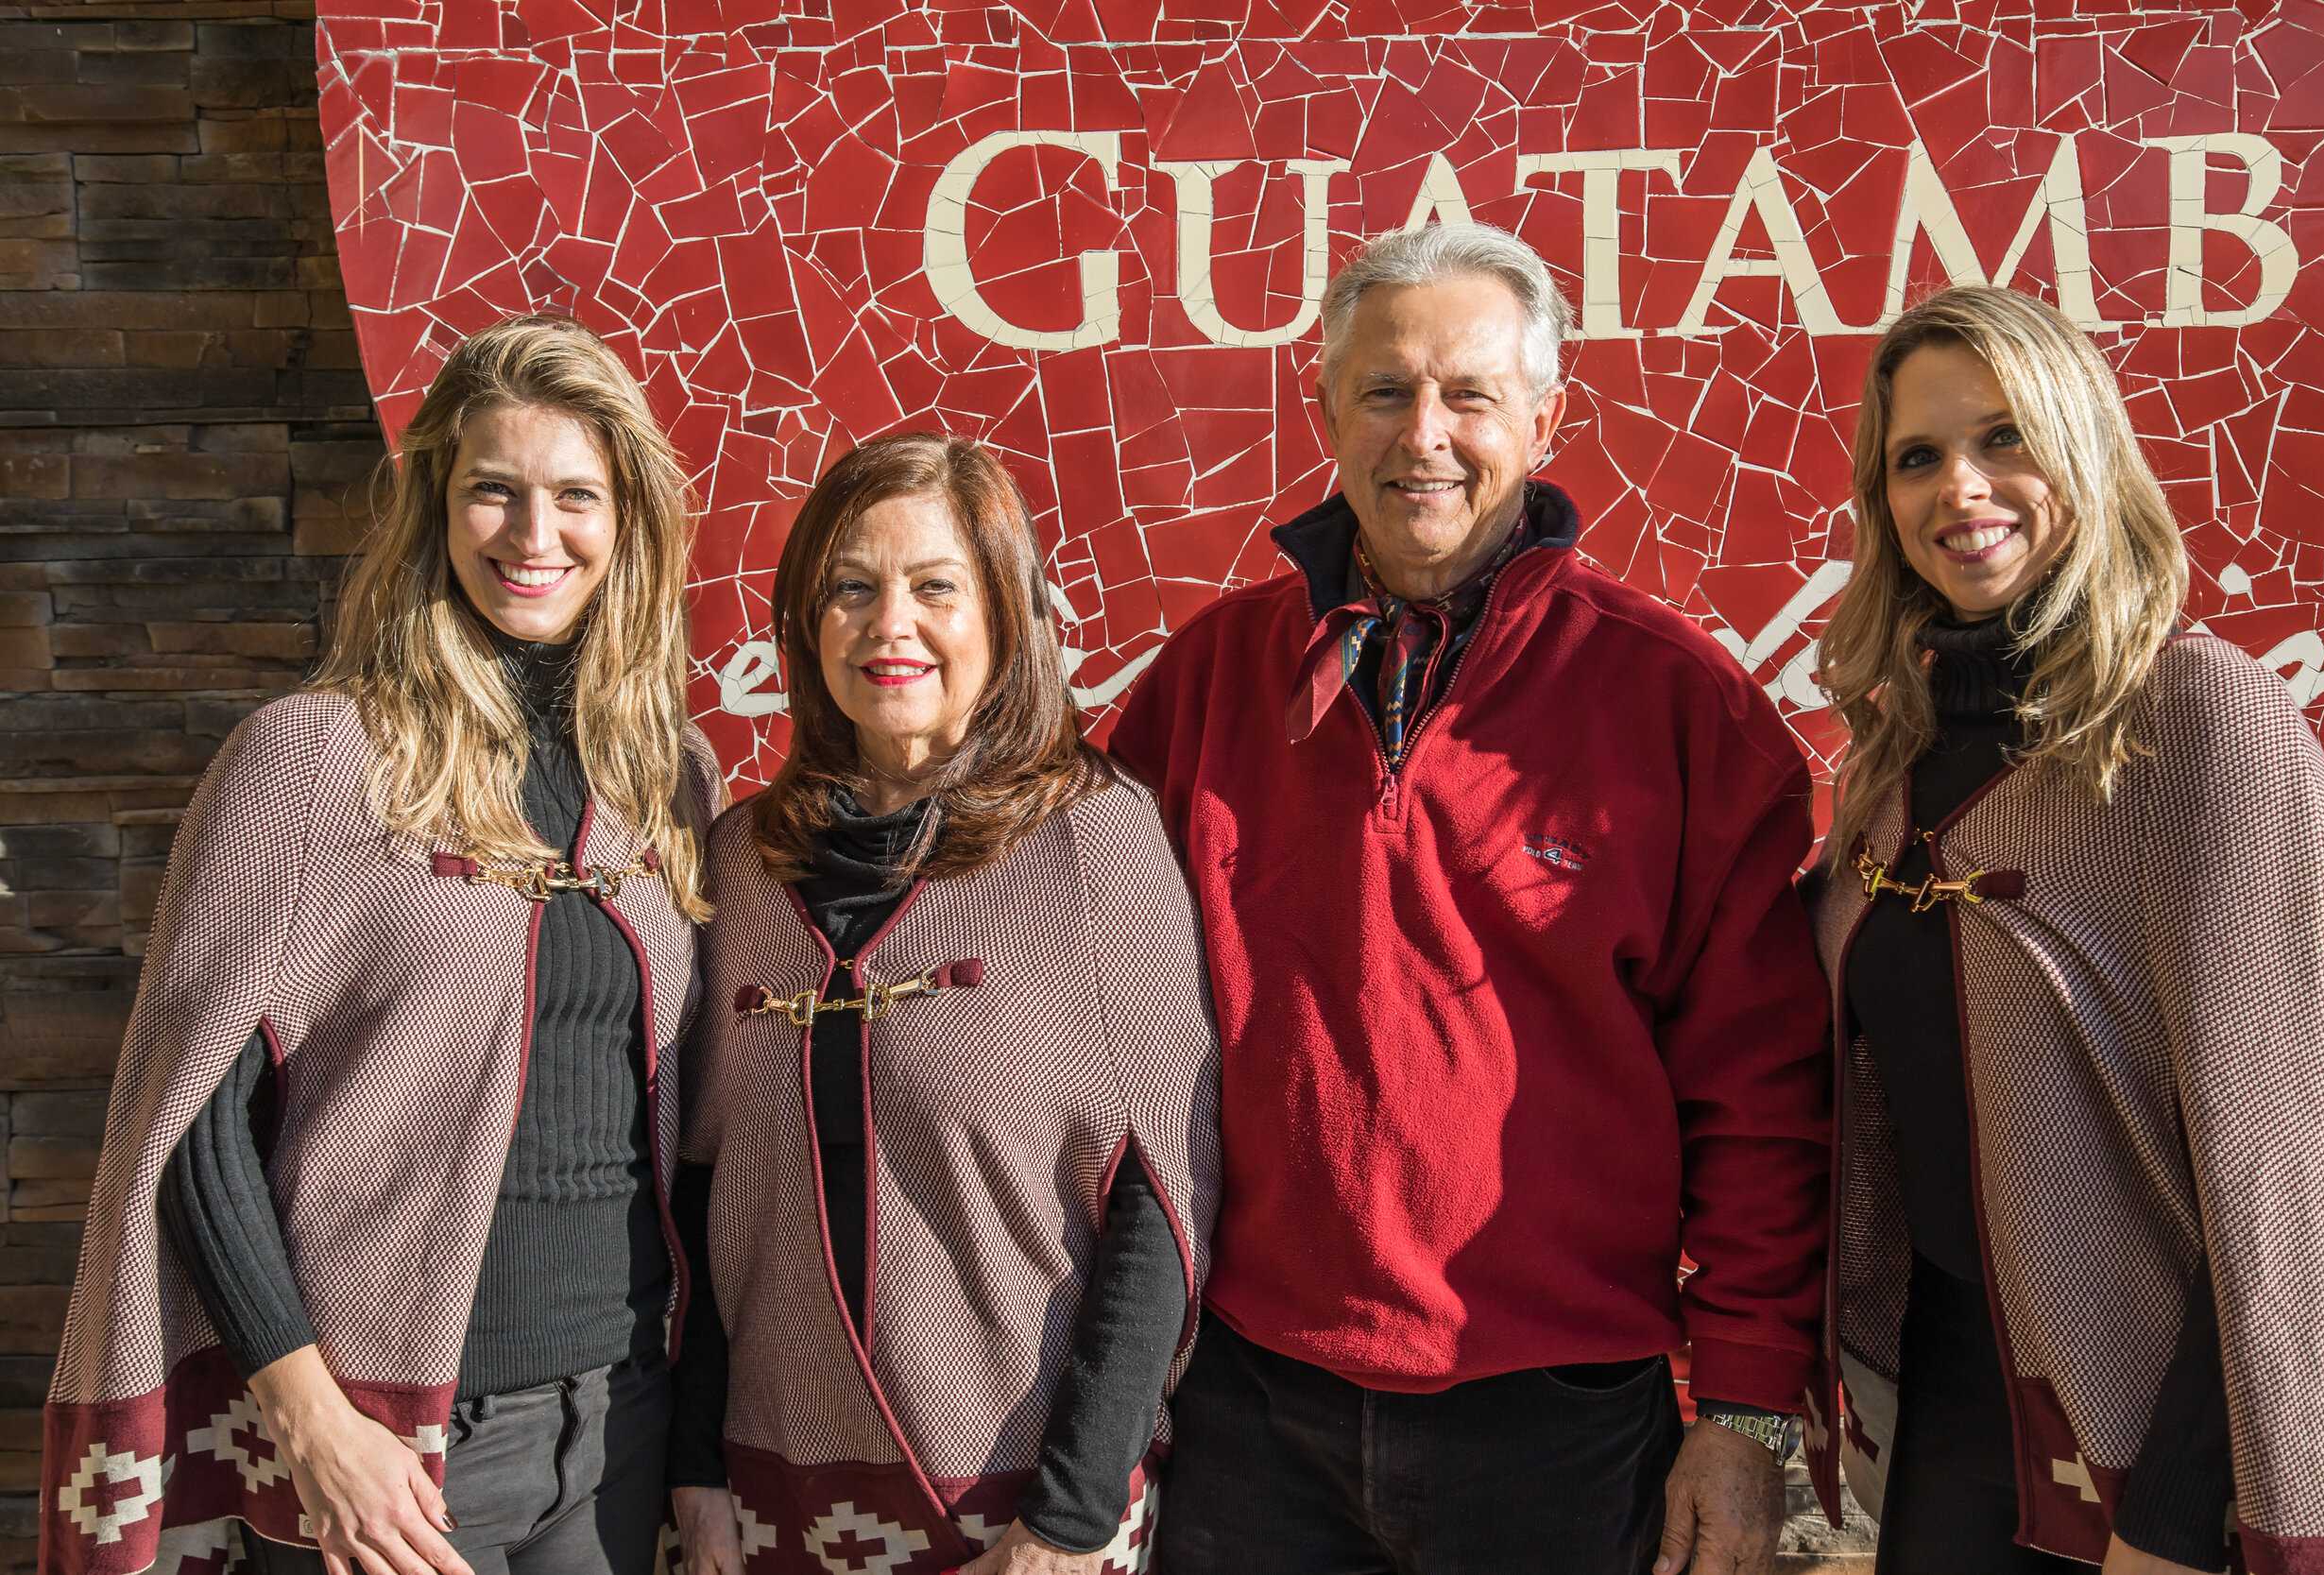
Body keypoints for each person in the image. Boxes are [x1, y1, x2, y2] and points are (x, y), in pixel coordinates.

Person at [1108, 219, 1832, 1575]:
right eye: (1384, 390)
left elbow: (1764, 1090)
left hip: (1561, 1417)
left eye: (1471, 395)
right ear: (1324, 406)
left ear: (1548, 419)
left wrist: (1742, 1409)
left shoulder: (1676, 705)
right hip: (1250, 1405)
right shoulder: (1202, 687)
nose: (1422, 433)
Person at [40, 315, 721, 1575]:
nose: (534, 535)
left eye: (576, 495)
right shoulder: (314, 759)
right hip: (390, 1447)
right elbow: (192, 1127)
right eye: (493, 492)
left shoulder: (667, 778)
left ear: (627, 522)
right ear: (433, 510)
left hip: (622, 1419)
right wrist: (314, 1422)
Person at [1803, 283, 2324, 1575]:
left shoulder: (2205, 721)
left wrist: (2172, 1516)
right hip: (1954, 1425)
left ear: (2087, 449)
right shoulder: (1894, 759)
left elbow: (2295, 1169)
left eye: (2006, 437)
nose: (1963, 486)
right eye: (1919, 456)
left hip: (2160, 1456)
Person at [667, 433, 1220, 1575]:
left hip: (1017, 1506)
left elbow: (1162, 1197)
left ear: (1006, 619)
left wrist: (1068, 1519)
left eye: (934, 587)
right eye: (851, 590)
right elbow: (703, 1191)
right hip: (770, 1500)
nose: (889, 625)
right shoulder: (745, 865)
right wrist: (694, 1464)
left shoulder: (1092, 844)